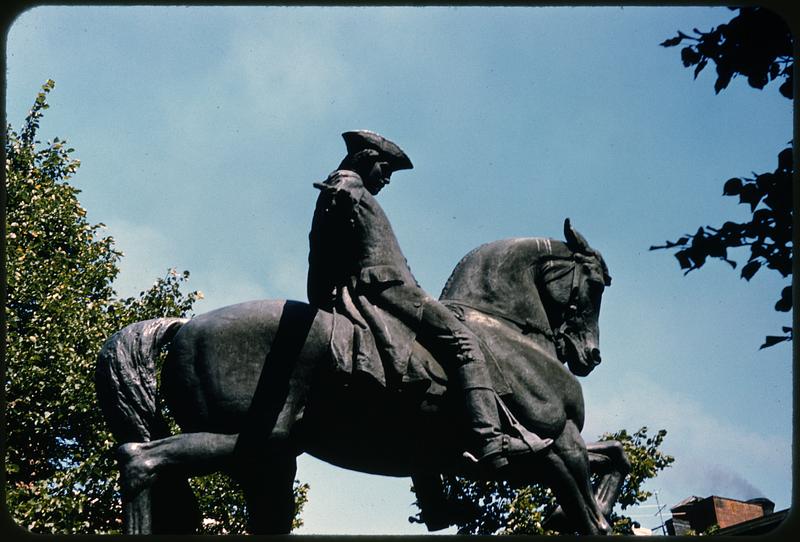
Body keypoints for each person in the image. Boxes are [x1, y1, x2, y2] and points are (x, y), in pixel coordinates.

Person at [306, 130, 552, 472]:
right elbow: (341, 186)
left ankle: (433, 490)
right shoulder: (349, 181)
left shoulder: (354, 188)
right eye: (386, 169)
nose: (388, 179)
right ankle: (490, 440)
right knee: (465, 342)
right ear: (366, 160)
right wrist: (342, 190)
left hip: (386, 287)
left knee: (423, 367)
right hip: (389, 290)